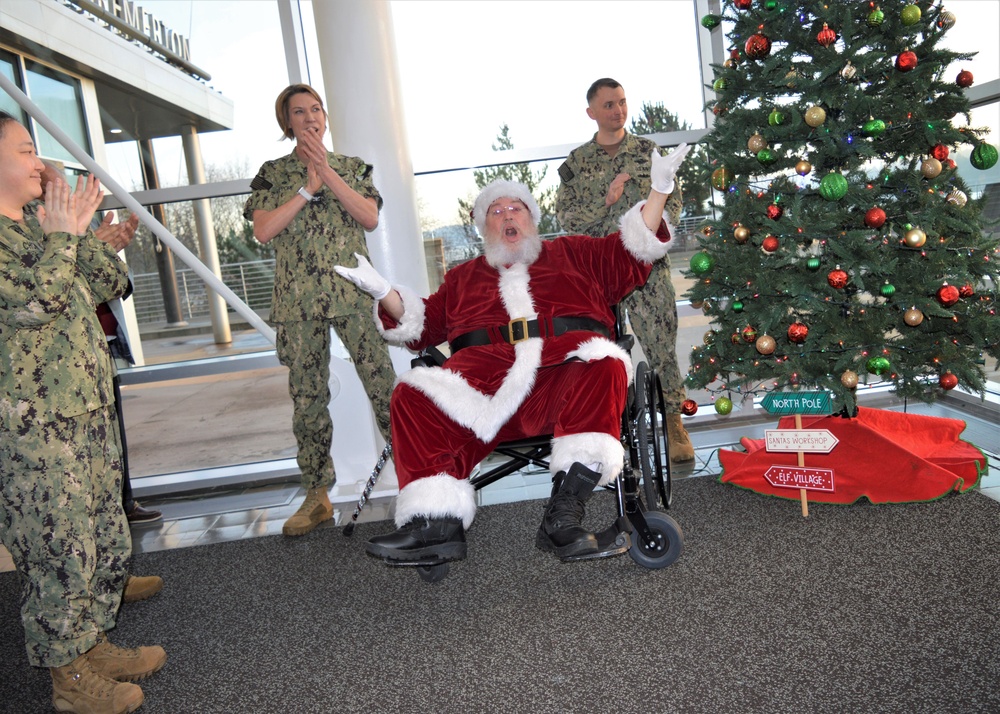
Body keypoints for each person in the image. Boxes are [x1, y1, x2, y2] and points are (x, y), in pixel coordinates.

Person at [335, 143, 690, 564]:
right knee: (411, 394)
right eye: (495, 211)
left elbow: (634, 249)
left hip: (563, 385)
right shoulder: (463, 276)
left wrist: (659, 190)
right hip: (481, 394)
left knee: (606, 360)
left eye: (515, 208)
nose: (506, 215)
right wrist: (383, 291)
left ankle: (564, 514)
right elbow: (420, 326)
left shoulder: (576, 253)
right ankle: (435, 524)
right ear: (482, 227)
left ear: (532, 218)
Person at [0, 111, 166, 713]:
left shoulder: (33, 231)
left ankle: (90, 645)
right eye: (24, 150)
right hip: (34, 428)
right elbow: (36, 304)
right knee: (59, 550)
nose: (39, 163)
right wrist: (65, 238)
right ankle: (68, 681)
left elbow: (101, 287)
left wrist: (84, 238)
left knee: (100, 533)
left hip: (84, 408)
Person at [243, 83, 397, 537]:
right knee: (308, 401)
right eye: (299, 112)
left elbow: (369, 217)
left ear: (325, 117)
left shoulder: (351, 167)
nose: (310, 117)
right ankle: (317, 495)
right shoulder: (272, 173)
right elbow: (264, 231)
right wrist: (305, 191)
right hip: (297, 303)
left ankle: (417, 472)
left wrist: (327, 175)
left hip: (350, 294)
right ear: (286, 123)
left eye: (315, 109)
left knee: (383, 386)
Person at [556, 77, 695, 463]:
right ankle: (611, 429)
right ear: (591, 113)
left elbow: (672, 203)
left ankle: (674, 424)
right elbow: (567, 218)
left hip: (646, 269)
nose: (617, 110)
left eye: (621, 102)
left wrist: (649, 233)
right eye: (608, 105)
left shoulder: (649, 153)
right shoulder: (577, 163)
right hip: (599, 275)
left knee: (662, 348)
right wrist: (607, 199)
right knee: (603, 354)